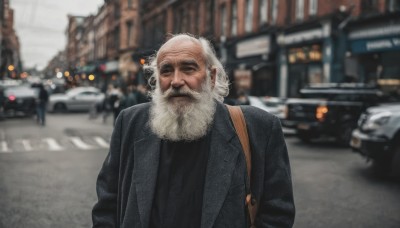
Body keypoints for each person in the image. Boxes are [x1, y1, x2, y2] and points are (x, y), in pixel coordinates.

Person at [92, 34, 295, 228]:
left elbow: (277, 214)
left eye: (188, 69)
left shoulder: (259, 127)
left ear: (212, 77)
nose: (176, 81)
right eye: (166, 71)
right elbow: (107, 205)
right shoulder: (130, 123)